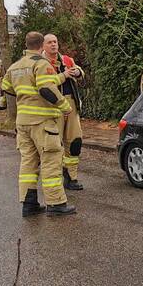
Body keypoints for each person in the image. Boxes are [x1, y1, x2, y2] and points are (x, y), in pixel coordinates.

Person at [0, 31, 76, 217]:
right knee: (51, 161)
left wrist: (25, 96)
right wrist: (65, 106)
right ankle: (56, 203)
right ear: (41, 45)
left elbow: (6, 88)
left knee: (28, 163)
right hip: (42, 122)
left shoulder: (16, 66)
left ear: (26, 45)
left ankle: (29, 204)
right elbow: (46, 89)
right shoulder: (41, 64)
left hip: (23, 123)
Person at [42, 33, 85, 191]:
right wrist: (63, 75)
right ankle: (55, 177)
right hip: (53, 107)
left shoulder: (67, 60)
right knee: (55, 144)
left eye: (55, 41)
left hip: (71, 103)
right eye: (50, 42)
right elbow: (44, 85)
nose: (54, 44)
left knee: (75, 142)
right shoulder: (40, 63)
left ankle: (71, 177)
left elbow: (80, 72)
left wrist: (77, 72)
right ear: (43, 45)